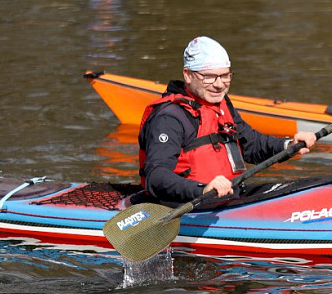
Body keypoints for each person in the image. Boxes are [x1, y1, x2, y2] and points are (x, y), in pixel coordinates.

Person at [136, 36, 317, 204]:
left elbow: (252, 144)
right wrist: (202, 189)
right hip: (189, 204)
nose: (219, 84)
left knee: (308, 188)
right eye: (209, 76)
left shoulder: (221, 105)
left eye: (225, 76)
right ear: (188, 75)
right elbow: (156, 176)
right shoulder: (169, 118)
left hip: (228, 198)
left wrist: (289, 146)